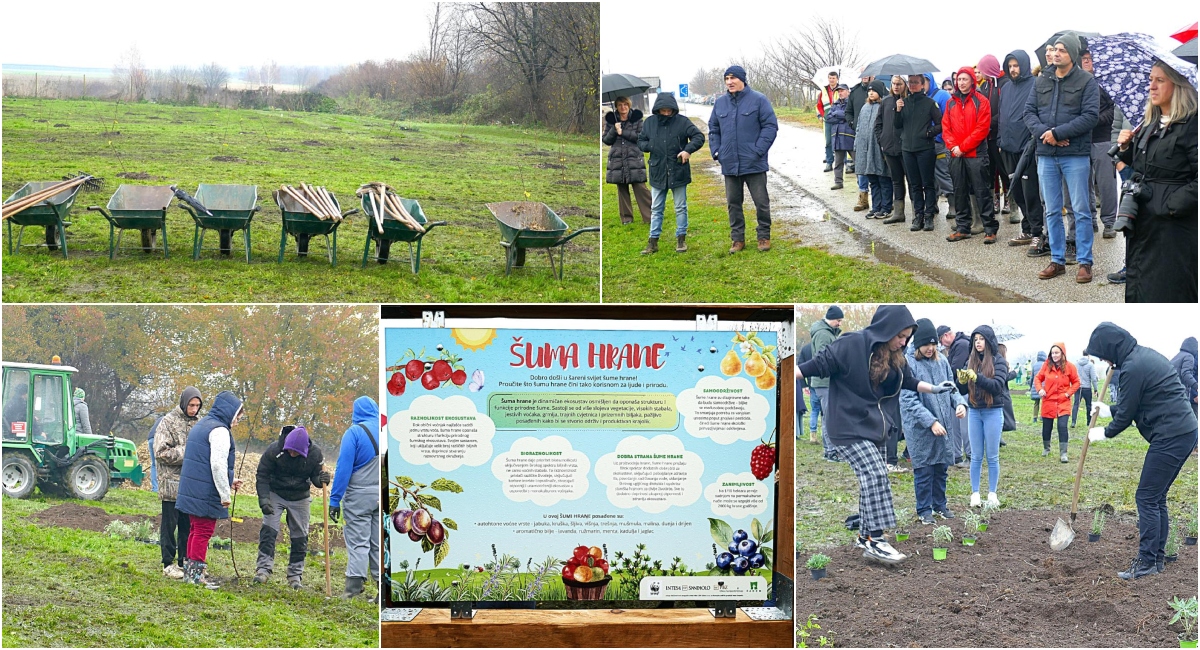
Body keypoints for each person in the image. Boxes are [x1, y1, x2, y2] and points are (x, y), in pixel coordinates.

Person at [796, 305, 958, 565]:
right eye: (900, 336)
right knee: (876, 473)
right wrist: (774, 375)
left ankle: (864, 536)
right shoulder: (850, 345)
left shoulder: (895, 356)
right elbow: (809, 367)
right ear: (886, 329)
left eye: (907, 337)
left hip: (874, 428)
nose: (903, 342)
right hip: (846, 427)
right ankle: (877, 539)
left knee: (869, 481)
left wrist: (936, 389)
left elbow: (908, 381)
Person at [1085, 323, 1198, 579]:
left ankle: (1146, 561)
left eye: (1102, 353)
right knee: (1156, 497)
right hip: (1183, 431)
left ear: (1111, 348)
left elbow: (1127, 415)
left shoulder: (1133, 367)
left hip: (1172, 435)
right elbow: (1136, 403)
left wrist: (1105, 431)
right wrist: (1108, 409)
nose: (1102, 359)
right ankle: (1156, 559)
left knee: (1146, 497)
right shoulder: (1142, 357)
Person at [1114, 60, 1198, 302]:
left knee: (1168, 289)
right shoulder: (1149, 123)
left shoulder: (1192, 124)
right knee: (1140, 286)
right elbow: (1139, 164)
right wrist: (1125, 146)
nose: (1151, 86)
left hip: (1173, 229)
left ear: (1178, 86)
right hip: (1143, 224)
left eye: (1160, 80)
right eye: (1151, 80)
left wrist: (1171, 205)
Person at [1023, 33, 1100, 283]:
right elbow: (1029, 112)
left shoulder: (1087, 81)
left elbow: (1090, 117)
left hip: (1075, 155)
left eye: (1062, 50)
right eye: (1054, 49)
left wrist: (1058, 133)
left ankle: (1085, 262)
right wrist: (1047, 135)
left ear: (1073, 54)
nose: (1056, 54)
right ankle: (1057, 260)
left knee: (1081, 210)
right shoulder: (1041, 79)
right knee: (1052, 210)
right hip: (1046, 154)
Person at [175, 391, 245, 589]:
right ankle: (196, 577)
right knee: (203, 531)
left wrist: (230, 480)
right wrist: (225, 493)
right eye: (238, 416)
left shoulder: (202, 425)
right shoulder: (220, 431)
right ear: (229, 412)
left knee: (195, 530)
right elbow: (216, 465)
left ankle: (190, 574)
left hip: (193, 489)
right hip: (205, 493)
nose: (238, 421)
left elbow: (203, 463)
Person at [902, 319, 967, 525]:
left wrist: (959, 404)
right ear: (918, 344)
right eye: (926, 345)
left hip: (943, 425)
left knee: (941, 468)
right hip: (920, 427)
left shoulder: (942, 361)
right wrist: (930, 422)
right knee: (924, 469)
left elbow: (952, 387)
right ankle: (924, 509)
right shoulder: (909, 363)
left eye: (933, 344)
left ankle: (940, 505)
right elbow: (908, 400)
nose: (930, 349)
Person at [709, 65, 779, 253]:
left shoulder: (759, 100)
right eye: (726, 79)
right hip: (730, 162)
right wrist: (717, 151)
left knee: (761, 202)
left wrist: (758, 150)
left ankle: (764, 236)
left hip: (754, 162)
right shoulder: (720, 103)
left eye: (733, 78)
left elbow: (770, 126)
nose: (729, 82)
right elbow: (714, 129)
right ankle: (737, 239)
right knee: (733, 203)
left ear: (742, 79)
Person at [254, 425, 329, 588]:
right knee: (269, 530)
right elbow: (262, 475)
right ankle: (263, 570)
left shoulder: (315, 453)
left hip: (300, 496)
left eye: (296, 452)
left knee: (300, 536)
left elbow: (316, 478)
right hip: (276, 492)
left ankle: (295, 575)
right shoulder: (274, 450)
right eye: (290, 451)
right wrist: (264, 499)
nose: (292, 454)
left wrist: (321, 479)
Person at [638, 92, 704, 255]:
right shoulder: (650, 123)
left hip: (678, 170)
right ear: (658, 109)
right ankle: (653, 241)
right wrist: (651, 146)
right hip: (658, 170)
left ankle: (681, 239)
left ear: (673, 109)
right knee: (656, 208)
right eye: (663, 110)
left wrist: (687, 150)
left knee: (680, 207)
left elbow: (698, 137)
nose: (667, 113)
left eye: (669, 110)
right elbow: (641, 141)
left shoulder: (683, 122)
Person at [330, 396, 381, 600]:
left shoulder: (354, 433)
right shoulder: (386, 431)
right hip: (382, 494)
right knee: (378, 543)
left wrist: (335, 500)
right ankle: (382, 589)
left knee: (359, 542)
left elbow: (343, 469)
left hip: (359, 495)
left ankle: (353, 589)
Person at [1000, 50, 1047, 254]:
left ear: (1024, 65)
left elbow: (1037, 114)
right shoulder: (1006, 87)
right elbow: (1003, 114)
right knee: (1016, 192)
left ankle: (1038, 233)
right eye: (1010, 66)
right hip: (1008, 148)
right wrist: (1001, 140)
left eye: (1016, 65)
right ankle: (1026, 229)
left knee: (1030, 193)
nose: (1013, 69)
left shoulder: (1035, 85)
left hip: (1027, 148)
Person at [943, 66, 998, 243]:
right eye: (959, 79)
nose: (961, 83)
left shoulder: (981, 101)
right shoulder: (951, 103)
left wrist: (963, 147)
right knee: (959, 191)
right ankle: (962, 227)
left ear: (972, 81)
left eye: (965, 79)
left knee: (981, 191)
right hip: (956, 155)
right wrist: (953, 147)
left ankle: (989, 228)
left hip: (975, 154)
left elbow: (981, 129)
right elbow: (946, 128)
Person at [154, 386, 203, 580]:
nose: (194, 409)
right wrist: (188, 453)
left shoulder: (200, 423)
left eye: (197, 405)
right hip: (171, 483)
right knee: (169, 525)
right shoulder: (168, 422)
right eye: (191, 405)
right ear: (184, 403)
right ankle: (168, 562)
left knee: (188, 525)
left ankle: (185, 560)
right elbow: (161, 452)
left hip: (190, 484)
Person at [960, 326, 1008, 508]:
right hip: (974, 411)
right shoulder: (970, 361)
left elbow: (997, 386)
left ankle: (992, 494)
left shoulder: (999, 361)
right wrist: (963, 381)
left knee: (992, 456)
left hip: (993, 411)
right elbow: (963, 389)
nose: (978, 342)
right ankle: (975, 493)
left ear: (988, 341)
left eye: (981, 339)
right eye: (975, 339)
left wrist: (977, 377)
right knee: (976, 455)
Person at [895, 75, 942, 231]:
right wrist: (898, 110)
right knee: (914, 185)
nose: (912, 85)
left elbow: (941, 124)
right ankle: (918, 216)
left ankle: (929, 216)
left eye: (916, 82)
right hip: (907, 149)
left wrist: (928, 133)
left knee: (927, 184)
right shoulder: (904, 102)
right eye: (910, 82)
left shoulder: (930, 103)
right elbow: (897, 125)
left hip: (925, 149)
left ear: (923, 85)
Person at [1079, 50, 1118, 239]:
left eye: (1090, 59)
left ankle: (1109, 222)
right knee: (1083, 183)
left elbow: (1112, 111)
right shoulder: (1077, 83)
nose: (1087, 62)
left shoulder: (1106, 83)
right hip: (1082, 139)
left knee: (1106, 182)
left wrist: (1093, 120)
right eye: (1084, 59)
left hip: (1103, 138)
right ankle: (1090, 220)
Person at [603, 97, 652, 226]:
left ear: (629, 105)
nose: (623, 107)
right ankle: (626, 218)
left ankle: (650, 215)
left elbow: (640, 137)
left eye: (625, 104)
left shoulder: (637, 119)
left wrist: (622, 132)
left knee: (640, 187)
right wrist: (614, 129)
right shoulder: (611, 121)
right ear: (617, 107)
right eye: (620, 105)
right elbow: (606, 140)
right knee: (622, 189)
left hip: (634, 157)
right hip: (617, 158)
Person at [1033, 343, 1080, 463]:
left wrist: (1068, 393)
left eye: (1056, 353)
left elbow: (1076, 382)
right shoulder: (1046, 365)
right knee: (1047, 427)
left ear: (1062, 353)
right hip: (1048, 400)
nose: (1054, 355)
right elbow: (1038, 378)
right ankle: (1046, 448)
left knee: (1062, 426)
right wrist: (1040, 389)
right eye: (1052, 353)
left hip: (1063, 401)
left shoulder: (1070, 367)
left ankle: (1063, 453)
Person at [976, 55, 1010, 218]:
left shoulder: (1003, 85)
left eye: (982, 70)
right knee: (990, 172)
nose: (980, 74)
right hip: (987, 137)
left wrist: (988, 123)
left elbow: (1005, 112)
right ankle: (994, 200)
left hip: (999, 135)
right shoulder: (985, 86)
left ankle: (1010, 201)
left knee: (1004, 170)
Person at [854, 81, 892, 219]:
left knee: (883, 178)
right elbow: (858, 127)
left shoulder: (883, 106)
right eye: (869, 91)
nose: (871, 93)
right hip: (865, 149)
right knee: (873, 179)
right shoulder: (864, 108)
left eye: (874, 90)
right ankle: (876, 207)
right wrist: (857, 144)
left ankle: (886, 207)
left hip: (879, 149)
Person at [810, 307, 843, 460]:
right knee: (829, 417)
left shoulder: (827, 333)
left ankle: (829, 450)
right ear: (831, 318)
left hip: (825, 380)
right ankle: (831, 452)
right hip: (825, 380)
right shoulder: (824, 334)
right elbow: (824, 360)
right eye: (838, 320)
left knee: (828, 416)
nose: (840, 323)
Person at [876, 75, 910, 224]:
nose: (896, 86)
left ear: (904, 85)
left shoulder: (908, 101)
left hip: (906, 148)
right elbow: (878, 124)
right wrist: (881, 140)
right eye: (894, 84)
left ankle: (919, 212)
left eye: (899, 84)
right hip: (889, 147)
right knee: (896, 180)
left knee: (912, 180)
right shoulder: (885, 101)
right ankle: (898, 212)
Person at [943, 326, 973, 466]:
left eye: (941, 339)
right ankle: (956, 455)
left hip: (963, 390)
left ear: (947, 335)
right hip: (955, 391)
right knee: (955, 425)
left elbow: (955, 368)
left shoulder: (962, 345)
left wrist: (948, 384)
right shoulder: (957, 345)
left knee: (964, 426)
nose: (942, 343)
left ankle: (970, 455)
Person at [846, 75, 875, 211]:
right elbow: (848, 111)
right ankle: (863, 198)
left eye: (868, 75)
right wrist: (852, 123)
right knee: (861, 167)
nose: (865, 77)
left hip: (876, 138)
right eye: (863, 74)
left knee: (877, 169)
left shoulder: (881, 90)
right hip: (860, 135)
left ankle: (882, 200)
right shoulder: (855, 92)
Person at [926, 73, 955, 204]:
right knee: (929, 177)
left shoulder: (943, 95)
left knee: (943, 174)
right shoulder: (919, 97)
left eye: (925, 80)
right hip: (925, 143)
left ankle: (953, 204)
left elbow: (950, 118)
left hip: (940, 142)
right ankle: (933, 204)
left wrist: (944, 138)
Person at [828, 84, 855, 191]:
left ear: (848, 91)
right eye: (838, 91)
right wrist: (842, 116)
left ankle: (862, 184)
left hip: (850, 136)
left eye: (842, 91)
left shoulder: (851, 103)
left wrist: (837, 114)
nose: (840, 93)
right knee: (838, 162)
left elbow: (850, 116)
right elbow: (829, 119)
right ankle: (838, 182)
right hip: (838, 137)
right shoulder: (834, 104)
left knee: (858, 162)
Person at [817, 71, 840, 172]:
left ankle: (841, 164)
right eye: (830, 78)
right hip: (827, 119)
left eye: (833, 78)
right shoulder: (823, 91)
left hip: (839, 120)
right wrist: (821, 115)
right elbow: (819, 105)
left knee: (840, 141)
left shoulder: (841, 89)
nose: (831, 80)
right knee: (828, 142)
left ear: (837, 79)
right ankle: (829, 163)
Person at [1170, 338, 1198, 418]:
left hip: (1171, 391)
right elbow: (1186, 373)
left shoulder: (1176, 357)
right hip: (1181, 392)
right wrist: (1196, 386)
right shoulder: (1189, 356)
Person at [1072, 354, 1100, 428]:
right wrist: (1095, 389)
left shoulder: (1076, 364)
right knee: (1088, 405)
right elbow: (1094, 378)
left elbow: (1073, 376)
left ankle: (1073, 422)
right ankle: (1089, 422)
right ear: (1088, 356)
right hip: (1087, 388)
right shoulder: (1090, 365)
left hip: (1078, 387)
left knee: (1076, 404)